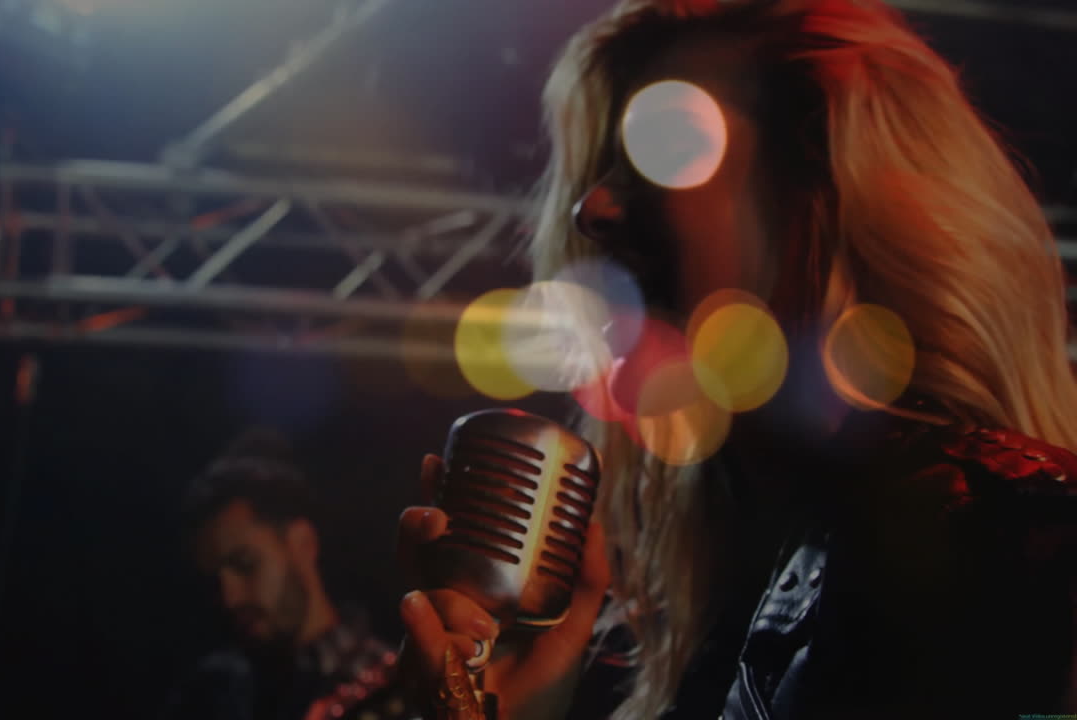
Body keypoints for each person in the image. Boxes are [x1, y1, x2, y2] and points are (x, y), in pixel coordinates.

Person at [397, 1, 1077, 718]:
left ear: (826, 192)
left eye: (663, 146)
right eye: (600, 170)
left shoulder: (1022, 545)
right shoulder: (736, 595)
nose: (590, 210)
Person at [164, 430, 412, 720]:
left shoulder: (400, 684)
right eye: (213, 579)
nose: (229, 599)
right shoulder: (210, 694)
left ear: (303, 542)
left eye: (245, 564)